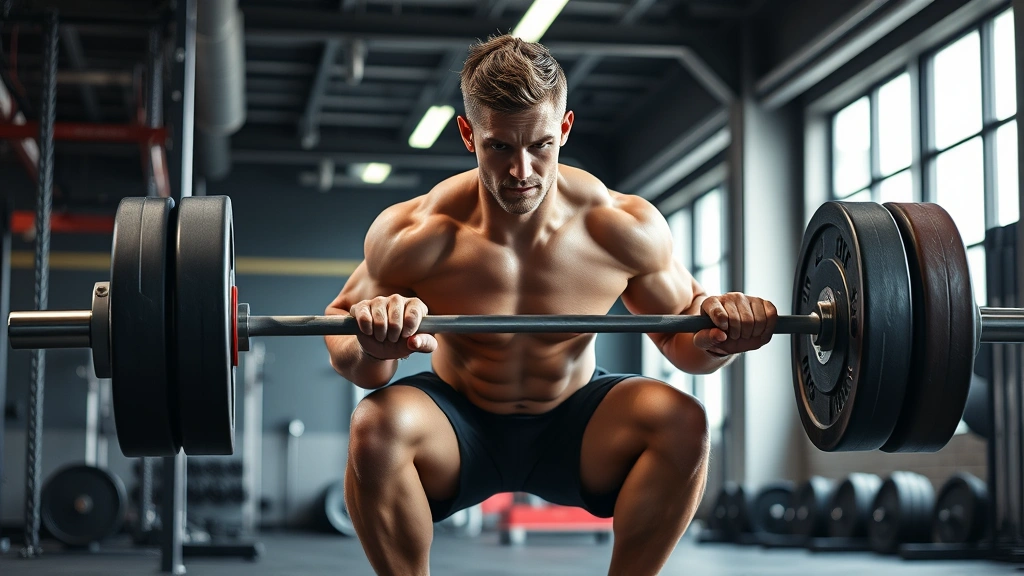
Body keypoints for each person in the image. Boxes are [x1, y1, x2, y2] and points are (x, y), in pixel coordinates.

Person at [324, 34, 777, 576]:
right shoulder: (416, 233)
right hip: (457, 422)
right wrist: (373, 346)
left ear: (563, 128)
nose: (522, 171)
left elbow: (686, 344)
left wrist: (723, 336)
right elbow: (344, 338)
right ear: (468, 135)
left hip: (577, 423)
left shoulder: (620, 228)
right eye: (500, 147)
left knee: (683, 420)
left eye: (540, 144)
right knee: (375, 426)